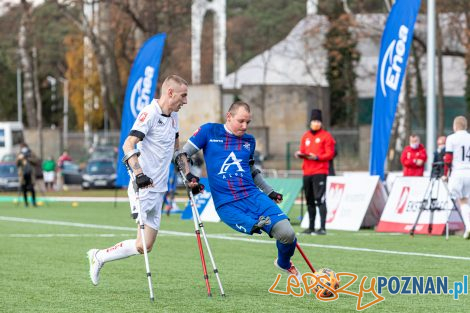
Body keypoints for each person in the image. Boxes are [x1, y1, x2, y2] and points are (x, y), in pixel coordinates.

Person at [175, 101, 301, 278]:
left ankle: (283, 263)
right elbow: (181, 154)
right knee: (256, 225)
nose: (244, 126)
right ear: (229, 116)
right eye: (241, 121)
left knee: (287, 233)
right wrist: (188, 176)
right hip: (227, 202)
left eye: (248, 122)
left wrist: (269, 191)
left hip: (253, 196)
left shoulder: (249, 141)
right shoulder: (209, 131)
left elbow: (250, 170)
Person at [87, 75, 189, 286]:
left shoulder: (174, 117)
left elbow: (177, 150)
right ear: (170, 93)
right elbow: (128, 144)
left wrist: (188, 175)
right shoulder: (149, 113)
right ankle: (98, 257)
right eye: (183, 96)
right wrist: (139, 173)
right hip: (142, 186)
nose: (185, 101)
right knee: (142, 240)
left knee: (145, 246)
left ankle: (99, 256)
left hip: (159, 189)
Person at [295, 109, 335, 235]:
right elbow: (303, 150)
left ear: (321, 123)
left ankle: (322, 228)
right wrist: (300, 154)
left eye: (318, 121)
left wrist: (317, 157)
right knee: (309, 199)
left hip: (320, 171)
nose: (315, 123)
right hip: (307, 172)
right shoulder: (306, 136)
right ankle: (311, 227)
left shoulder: (326, 136)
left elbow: (330, 154)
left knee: (320, 199)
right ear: (310, 122)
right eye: (314, 121)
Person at [442, 116, 470, 239]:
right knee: (464, 200)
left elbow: (448, 158)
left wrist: (445, 174)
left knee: (452, 198)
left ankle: (444, 228)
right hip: (469, 171)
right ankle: (468, 227)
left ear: (455, 126)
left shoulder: (451, 138)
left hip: (457, 172)